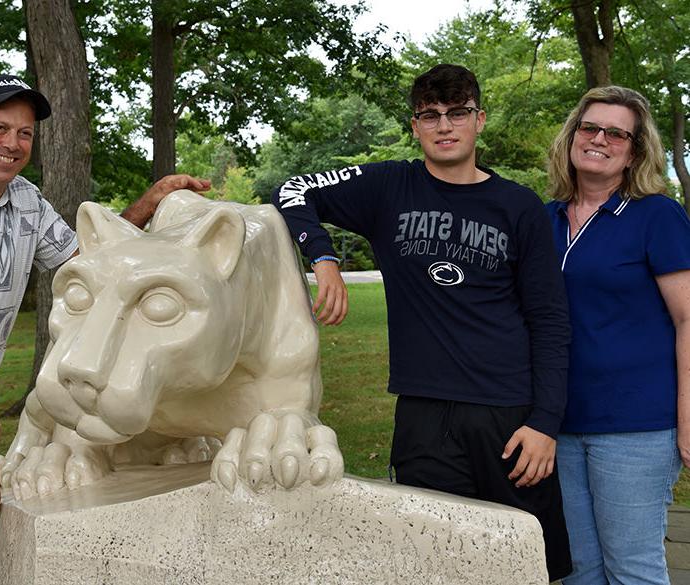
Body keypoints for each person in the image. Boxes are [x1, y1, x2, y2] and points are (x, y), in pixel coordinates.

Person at [272, 63, 572, 581]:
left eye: (457, 113)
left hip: (507, 413)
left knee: (522, 562)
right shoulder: (390, 186)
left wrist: (544, 422)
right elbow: (292, 190)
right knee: (429, 560)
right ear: (415, 126)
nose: (444, 125)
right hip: (424, 414)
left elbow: (549, 319)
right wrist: (323, 258)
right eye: (429, 115)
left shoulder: (518, 206)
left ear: (480, 119)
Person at [0, 74, 210, 585]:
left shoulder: (29, 205)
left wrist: (151, 201)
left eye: (24, 134)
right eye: (0, 127)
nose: (12, 143)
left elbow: (94, 263)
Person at [546, 86, 690, 585]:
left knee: (631, 568)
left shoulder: (656, 216)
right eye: (590, 128)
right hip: (559, 425)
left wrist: (689, 419)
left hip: (636, 427)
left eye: (616, 133)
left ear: (634, 151)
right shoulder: (546, 219)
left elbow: (688, 319)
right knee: (579, 569)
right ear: (572, 137)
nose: (599, 139)